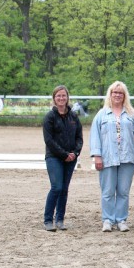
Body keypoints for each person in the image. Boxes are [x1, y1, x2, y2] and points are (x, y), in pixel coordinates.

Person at [90, 81, 134, 233]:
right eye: (115, 92)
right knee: (108, 191)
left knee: (123, 191)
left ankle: (121, 220)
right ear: (110, 94)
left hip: (127, 157)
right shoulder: (101, 114)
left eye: (120, 93)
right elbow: (95, 136)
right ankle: (107, 219)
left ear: (125, 96)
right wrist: (97, 156)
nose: (117, 95)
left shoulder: (131, 113)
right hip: (107, 158)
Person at [42, 85, 83, 231]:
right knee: (56, 187)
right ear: (54, 98)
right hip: (54, 157)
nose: (61, 98)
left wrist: (75, 153)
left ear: (67, 97)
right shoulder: (49, 117)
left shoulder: (73, 116)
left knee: (64, 189)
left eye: (63, 96)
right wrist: (64, 154)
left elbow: (79, 137)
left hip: (71, 158)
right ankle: (48, 220)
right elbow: (49, 141)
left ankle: (60, 219)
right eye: (58, 96)